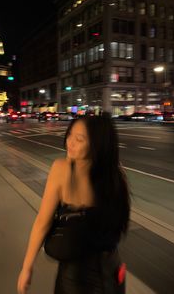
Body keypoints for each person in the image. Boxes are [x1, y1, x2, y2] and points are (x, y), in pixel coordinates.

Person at [17, 112, 131, 294]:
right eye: (70, 135)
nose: (70, 142)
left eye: (79, 139)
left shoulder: (62, 169)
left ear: (96, 144)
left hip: (77, 277)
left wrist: (27, 267)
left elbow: (42, 222)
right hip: (113, 271)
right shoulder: (117, 176)